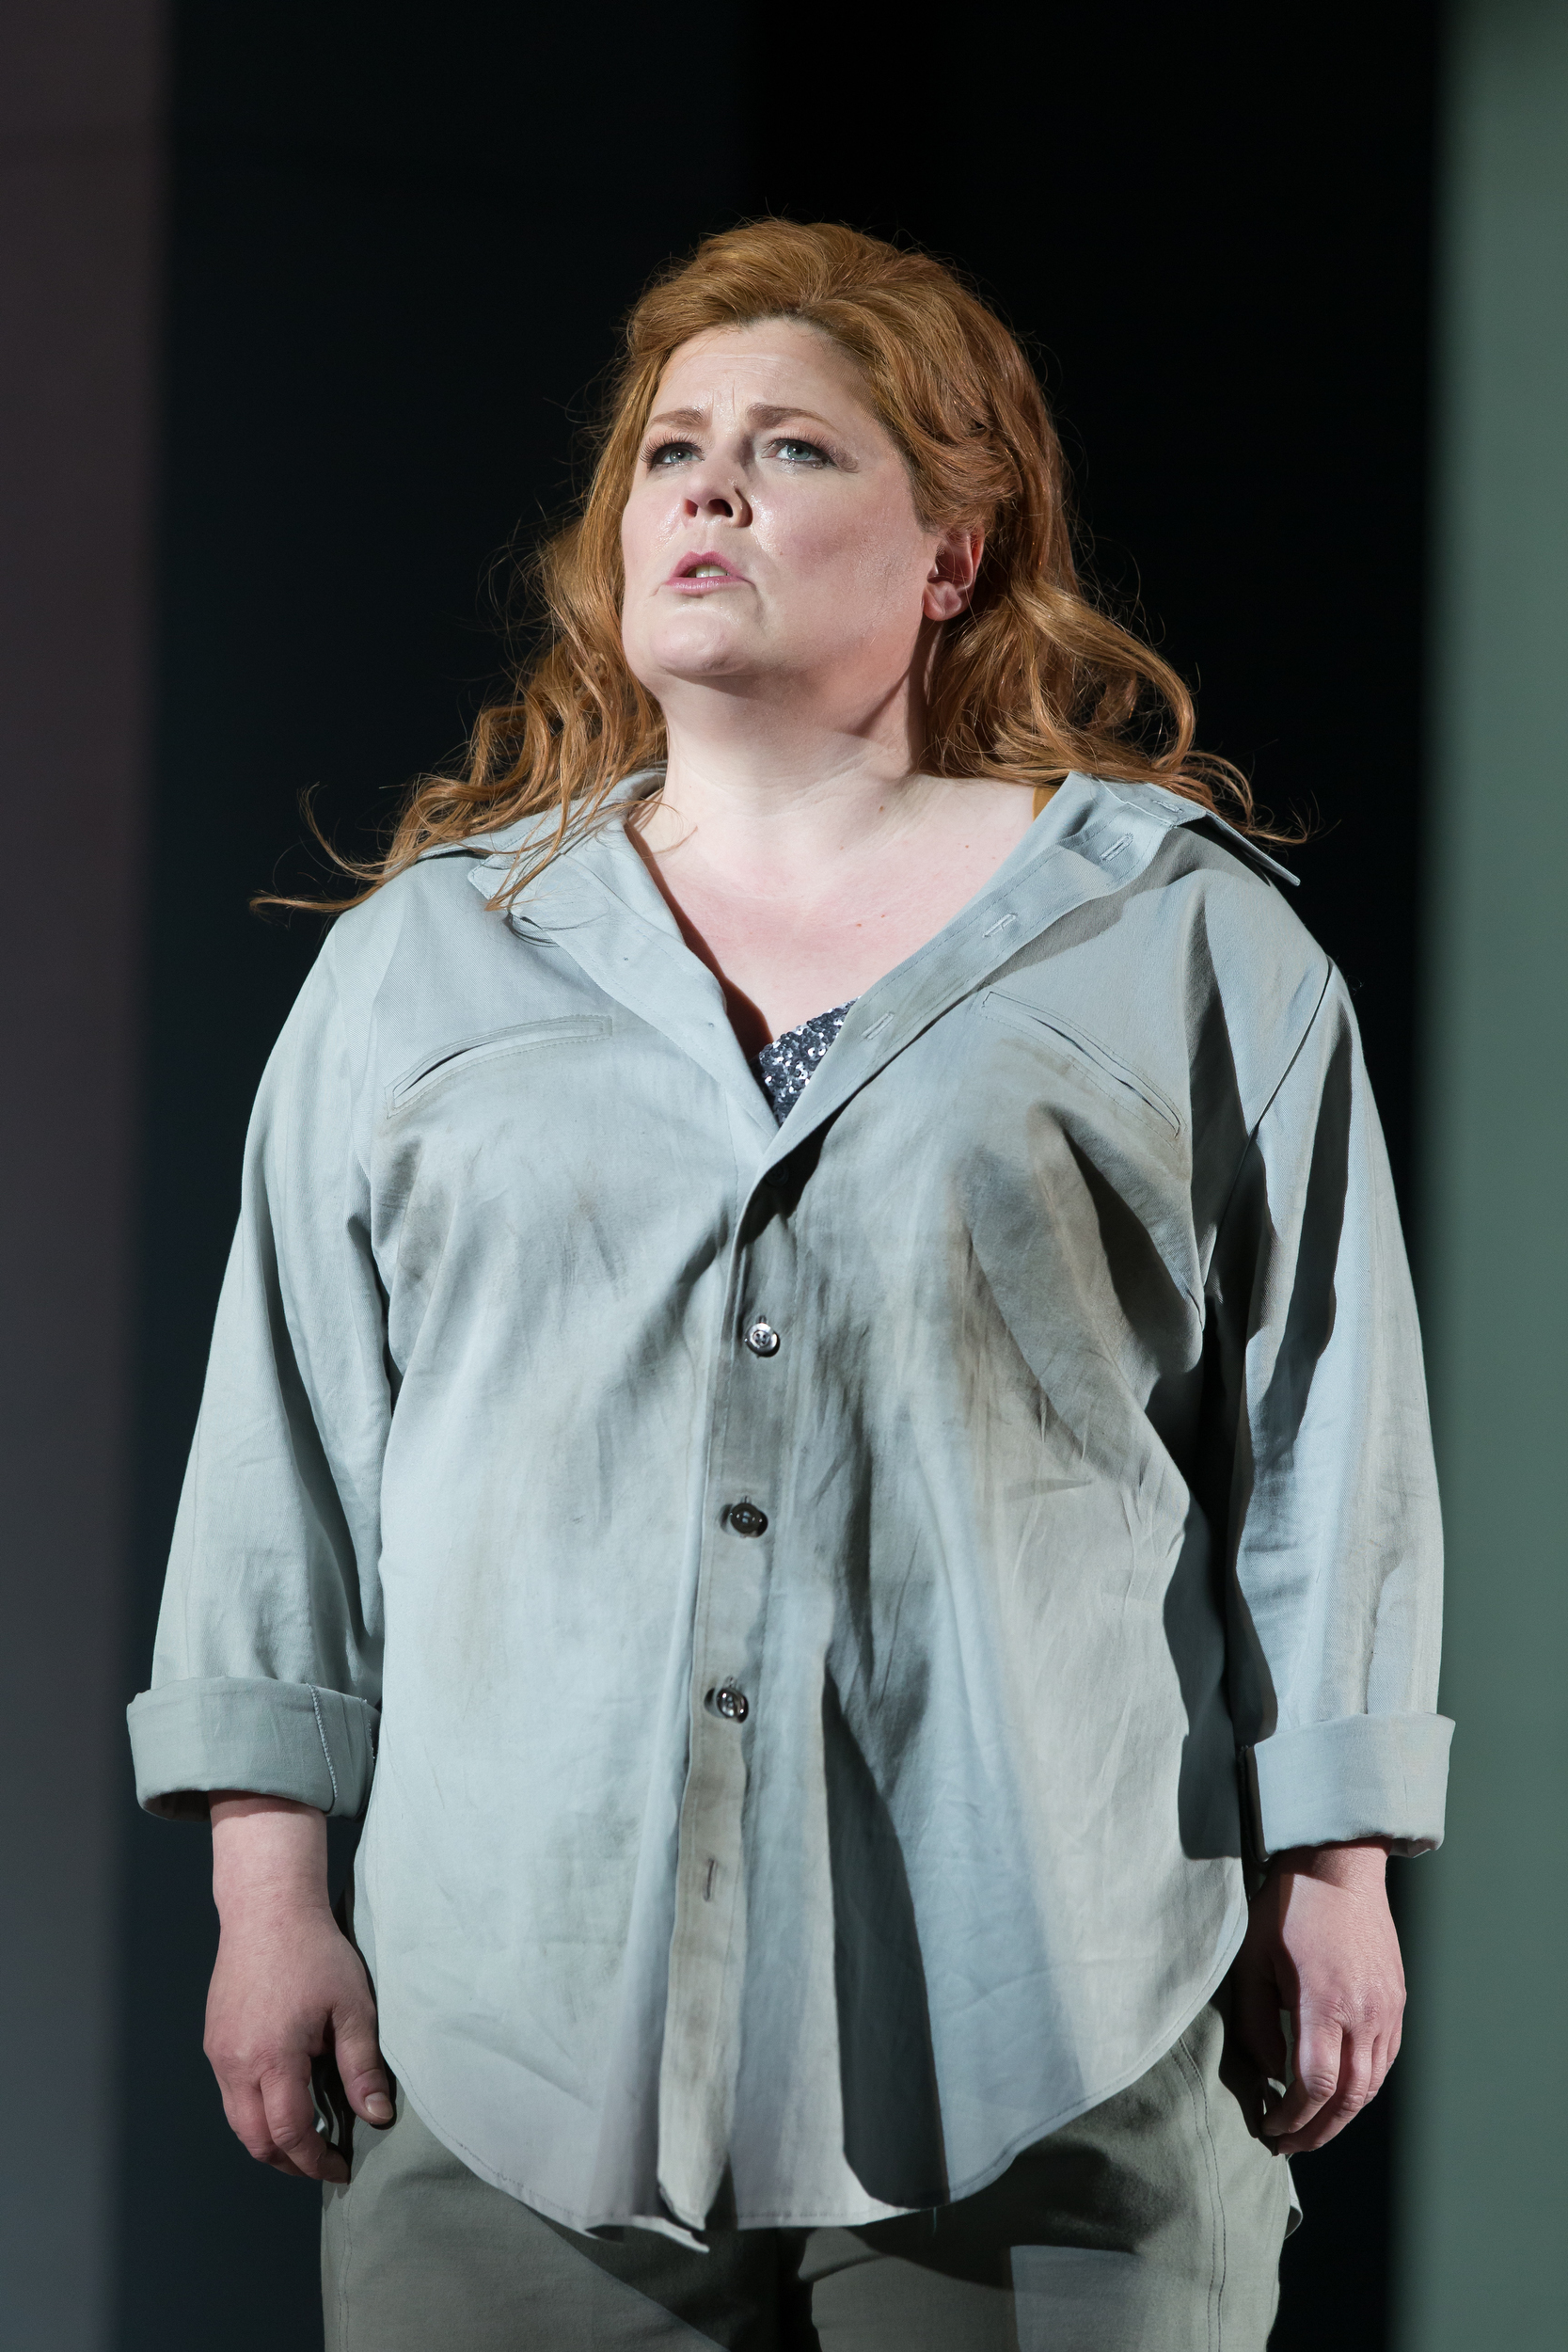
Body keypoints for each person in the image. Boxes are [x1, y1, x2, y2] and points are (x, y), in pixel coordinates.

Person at [128, 220, 1449, 2351]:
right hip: (511, 2034)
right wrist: (268, 1893)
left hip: (1046, 2015)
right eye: (674, 450)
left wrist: (1340, 1867)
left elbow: (1324, 1439)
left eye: (796, 449)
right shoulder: (426, 960)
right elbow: (286, 1455)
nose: (712, 492)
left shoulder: (1180, 944)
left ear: (953, 552)